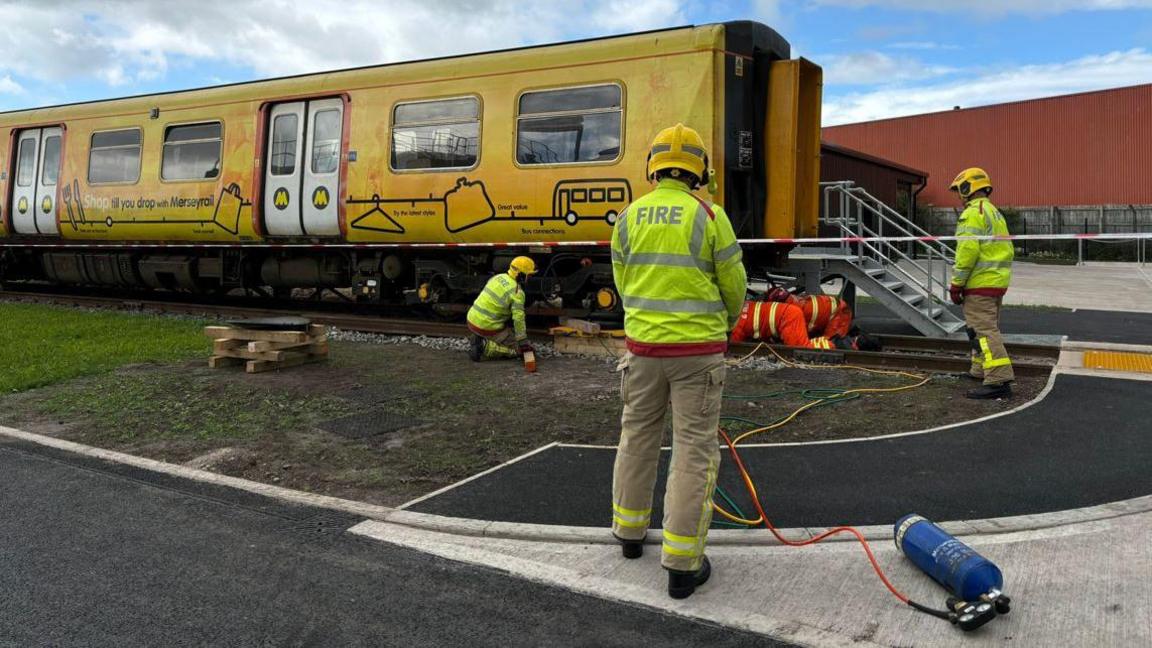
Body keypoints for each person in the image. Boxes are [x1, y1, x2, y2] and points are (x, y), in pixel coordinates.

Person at [609, 123, 746, 600]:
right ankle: (683, 565)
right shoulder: (710, 215)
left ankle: (628, 534)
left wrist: (646, 322)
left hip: (642, 353)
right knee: (693, 451)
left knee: (637, 438)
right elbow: (734, 286)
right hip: (697, 357)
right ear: (700, 169)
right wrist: (723, 325)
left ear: (653, 166)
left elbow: (624, 284)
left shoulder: (627, 217)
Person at [947, 167, 1014, 399]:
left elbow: (967, 251)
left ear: (969, 188)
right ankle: (979, 369)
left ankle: (998, 380)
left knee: (985, 332)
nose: (958, 195)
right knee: (977, 330)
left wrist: (957, 284)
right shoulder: (994, 213)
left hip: (979, 284)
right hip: (995, 283)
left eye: (959, 189)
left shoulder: (972, 214)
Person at [730, 297, 881, 351]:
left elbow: (734, 346)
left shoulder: (736, 327)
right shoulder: (739, 308)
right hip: (792, 313)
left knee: (803, 349)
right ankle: (853, 340)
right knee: (815, 342)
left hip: (790, 316)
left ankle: (849, 343)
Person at [466, 256, 536, 361]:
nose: (529, 278)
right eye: (528, 275)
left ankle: (479, 337)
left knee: (505, 327)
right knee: (518, 350)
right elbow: (518, 320)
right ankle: (484, 347)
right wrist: (522, 343)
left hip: (472, 318)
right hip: (486, 326)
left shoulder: (498, 277)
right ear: (520, 275)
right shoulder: (517, 292)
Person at [768, 288, 855, 339]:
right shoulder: (793, 301)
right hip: (837, 309)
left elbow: (799, 334)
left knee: (829, 345)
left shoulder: (794, 311)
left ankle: (857, 343)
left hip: (840, 314)